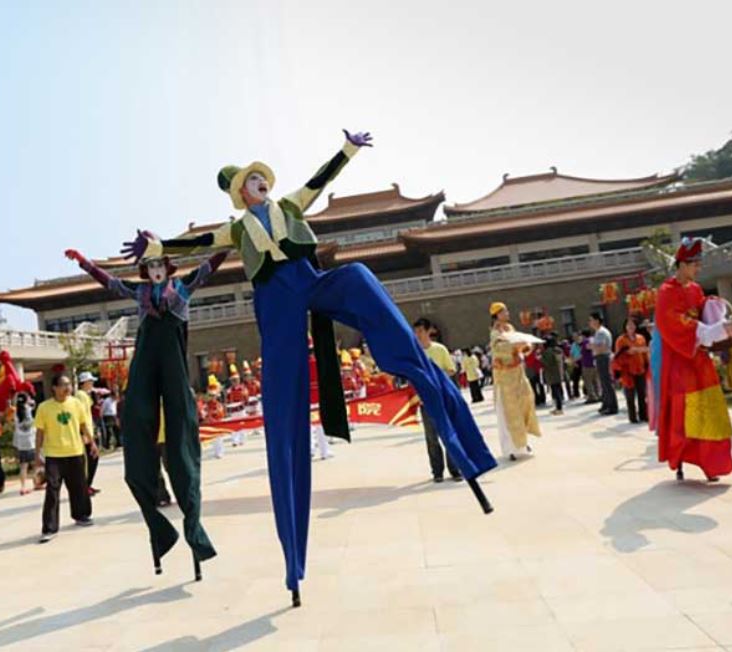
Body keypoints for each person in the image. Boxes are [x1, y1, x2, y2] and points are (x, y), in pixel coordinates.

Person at [124, 130, 497, 605]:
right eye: (253, 180)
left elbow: (318, 181)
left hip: (310, 283)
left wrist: (348, 150)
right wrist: (160, 248)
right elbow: (195, 242)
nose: (262, 182)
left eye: (263, 177)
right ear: (241, 192)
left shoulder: (290, 208)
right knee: (284, 416)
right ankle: (293, 563)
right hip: (276, 305)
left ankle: (436, 404)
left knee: (359, 277)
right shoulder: (237, 229)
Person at [65, 246, 224, 578]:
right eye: (149, 266)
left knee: (182, 455)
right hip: (147, 362)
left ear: (166, 267)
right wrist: (85, 263)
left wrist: (229, 243)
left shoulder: (181, 288)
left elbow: (207, 269)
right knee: (136, 446)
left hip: (174, 365)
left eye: (158, 265)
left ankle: (194, 530)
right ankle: (161, 531)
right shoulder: (139, 292)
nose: (154, 270)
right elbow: (109, 282)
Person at [653, 238, 732, 481]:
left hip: (699, 359)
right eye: (694, 265)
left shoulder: (695, 289)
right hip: (680, 360)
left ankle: (712, 464)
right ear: (681, 264)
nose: (697, 269)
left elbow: (702, 312)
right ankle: (681, 457)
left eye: (698, 264)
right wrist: (703, 331)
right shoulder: (666, 292)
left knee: (711, 409)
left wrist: (712, 306)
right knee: (685, 413)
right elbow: (670, 322)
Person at [34, 374, 98, 543]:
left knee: (79, 486)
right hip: (54, 455)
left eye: (69, 384)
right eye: (63, 385)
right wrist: (37, 455)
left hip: (75, 451)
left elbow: (83, 425)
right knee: (52, 490)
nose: (67, 388)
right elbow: (40, 432)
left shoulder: (76, 404)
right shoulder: (44, 407)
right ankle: (49, 528)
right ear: (54, 387)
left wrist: (92, 443)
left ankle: (82, 515)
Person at [489, 303, 542, 459]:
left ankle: (522, 442)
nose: (507, 313)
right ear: (497, 315)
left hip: (517, 374)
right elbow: (499, 350)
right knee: (508, 413)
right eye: (504, 311)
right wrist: (514, 347)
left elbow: (520, 349)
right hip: (505, 379)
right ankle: (511, 448)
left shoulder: (510, 329)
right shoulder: (495, 333)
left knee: (525, 402)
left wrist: (525, 347)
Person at [413, 318, 462, 481]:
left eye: (420, 331)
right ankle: (437, 471)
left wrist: (435, 377)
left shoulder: (440, 350)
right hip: (425, 400)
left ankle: (455, 469)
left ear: (429, 331)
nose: (417, 334)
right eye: (416, 331)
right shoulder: (414, 352)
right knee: (431, 437)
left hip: (442, 398)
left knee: (449, 434)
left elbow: (450, 370)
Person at [615, 317, 650, 424]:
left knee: (642, 394)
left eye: (633, 325)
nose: (631, 327)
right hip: (627, 371)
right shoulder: (621, 340)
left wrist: (647, 364)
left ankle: (643, 415)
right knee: (630, 395)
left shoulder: (641, 338)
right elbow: (618, 355)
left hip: (640, 368)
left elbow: (645, 353)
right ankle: (632, 417)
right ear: (625, 327)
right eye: (628, 325)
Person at [75, 372, 102, 495]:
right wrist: (83, 434)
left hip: (89, 432)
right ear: (84, 382)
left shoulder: (86, 395)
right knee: (89, 460)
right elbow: (80, 416)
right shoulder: (80, 395)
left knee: (93, 459)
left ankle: (88, 485)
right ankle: (84, 486)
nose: (92, 383)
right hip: (85, 434)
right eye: (90, 381)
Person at [590, 313, 619, 415]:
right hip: (601, 358)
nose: (590, 323)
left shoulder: (601, 332)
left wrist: (592, 346)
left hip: (603, 357)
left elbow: (602, 347)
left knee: (606, 382)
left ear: (597, 321)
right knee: (603, 382)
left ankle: (612, 406)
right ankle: (606, 404)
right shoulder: (598, 332)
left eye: (591, 320)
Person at [13, 393, 38, 494]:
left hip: (21, 442)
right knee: (35, 463)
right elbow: (30, 422)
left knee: (23, 465)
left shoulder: (16, 411)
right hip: (30, 440)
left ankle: (23, 486)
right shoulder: (27, 409)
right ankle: (36, 482)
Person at [541, 336, 566, 415]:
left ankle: (559, 409)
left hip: (552, 373)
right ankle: (559, 407)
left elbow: (547, 363)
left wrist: (541, 358)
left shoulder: (548, 352)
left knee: (556, 391)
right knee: (558, 389)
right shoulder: (558, 350)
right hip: (558, 372)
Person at [569, 333, 584, 400]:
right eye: (573, 337)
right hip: (576, 362)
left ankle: (586, 392)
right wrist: (573, 362)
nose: (574, 338)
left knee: (585, 378)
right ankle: (576, 394)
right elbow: (571, 354)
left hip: (583, 362)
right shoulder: (573, 345)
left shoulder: (583, 344)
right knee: (575, 379)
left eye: (576, 337)